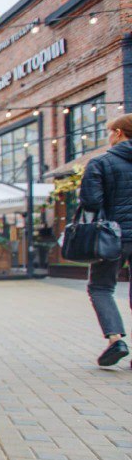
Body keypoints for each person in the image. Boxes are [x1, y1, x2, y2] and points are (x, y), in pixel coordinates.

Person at [79, 113, 132, 367]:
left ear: (120, 133)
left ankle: (115, 340)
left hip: (113, 237)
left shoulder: (101, 163)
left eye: (111, 131)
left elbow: (91, 202)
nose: (109, 136)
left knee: (100, 287)